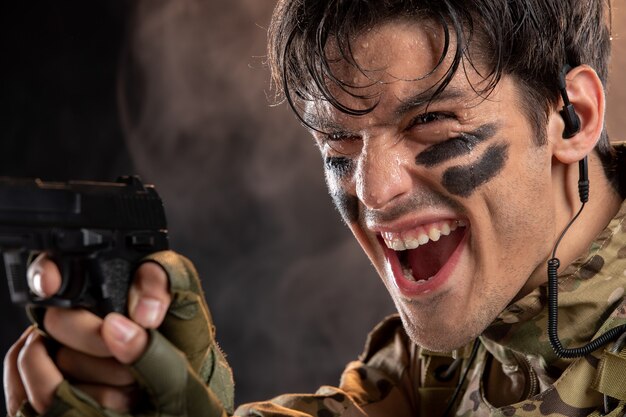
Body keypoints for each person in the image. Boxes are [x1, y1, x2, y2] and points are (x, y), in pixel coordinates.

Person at [4, 0, 626, 416]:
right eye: (339, 146)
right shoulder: (455, 343)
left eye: (432, 124)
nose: (373, 191)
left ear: (574, 118)